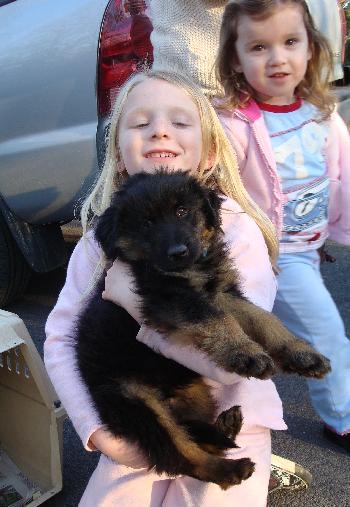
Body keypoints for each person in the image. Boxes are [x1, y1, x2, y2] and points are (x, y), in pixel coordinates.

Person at [44, 69, 288, 507]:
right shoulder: (102, 236)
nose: (159, 129)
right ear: (118, 154)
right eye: (140, 123)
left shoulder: (235, 232)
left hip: (237, 421)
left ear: (210, 152)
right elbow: (61, 337)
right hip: (140, 426)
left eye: (179, 121)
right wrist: (96, 431)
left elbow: (236, 362)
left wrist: (136, 304)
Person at [215, 0, 350, 453]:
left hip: (305, 251)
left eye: (290, 42)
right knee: (325, 334)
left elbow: (343, 176)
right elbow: (221, 191)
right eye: (258, 46)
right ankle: (342, 418)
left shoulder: (321, 112)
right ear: (235, 58)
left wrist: (336, 232)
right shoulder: (233, 124)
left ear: (311, 46)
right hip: (271, 256)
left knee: (254, 340)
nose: (277, 58)